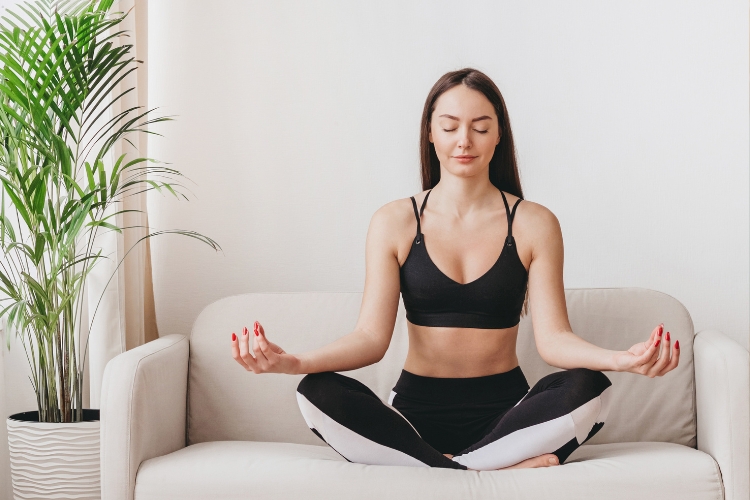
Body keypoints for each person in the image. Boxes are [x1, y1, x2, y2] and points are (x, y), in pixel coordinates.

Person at [230, 68, 680, 471]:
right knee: (316, 391)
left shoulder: (534, 223)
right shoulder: (395, 221)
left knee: (590, 387)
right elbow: (370, 340)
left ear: (499, 135)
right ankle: (484, 467)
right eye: (449, 127)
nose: (464, 141)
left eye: (480, 128)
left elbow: (554, 341)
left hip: (506, 415)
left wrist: (620, 360)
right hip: (412, 415)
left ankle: (438, 469)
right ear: (430, 132)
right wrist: (293, 362)